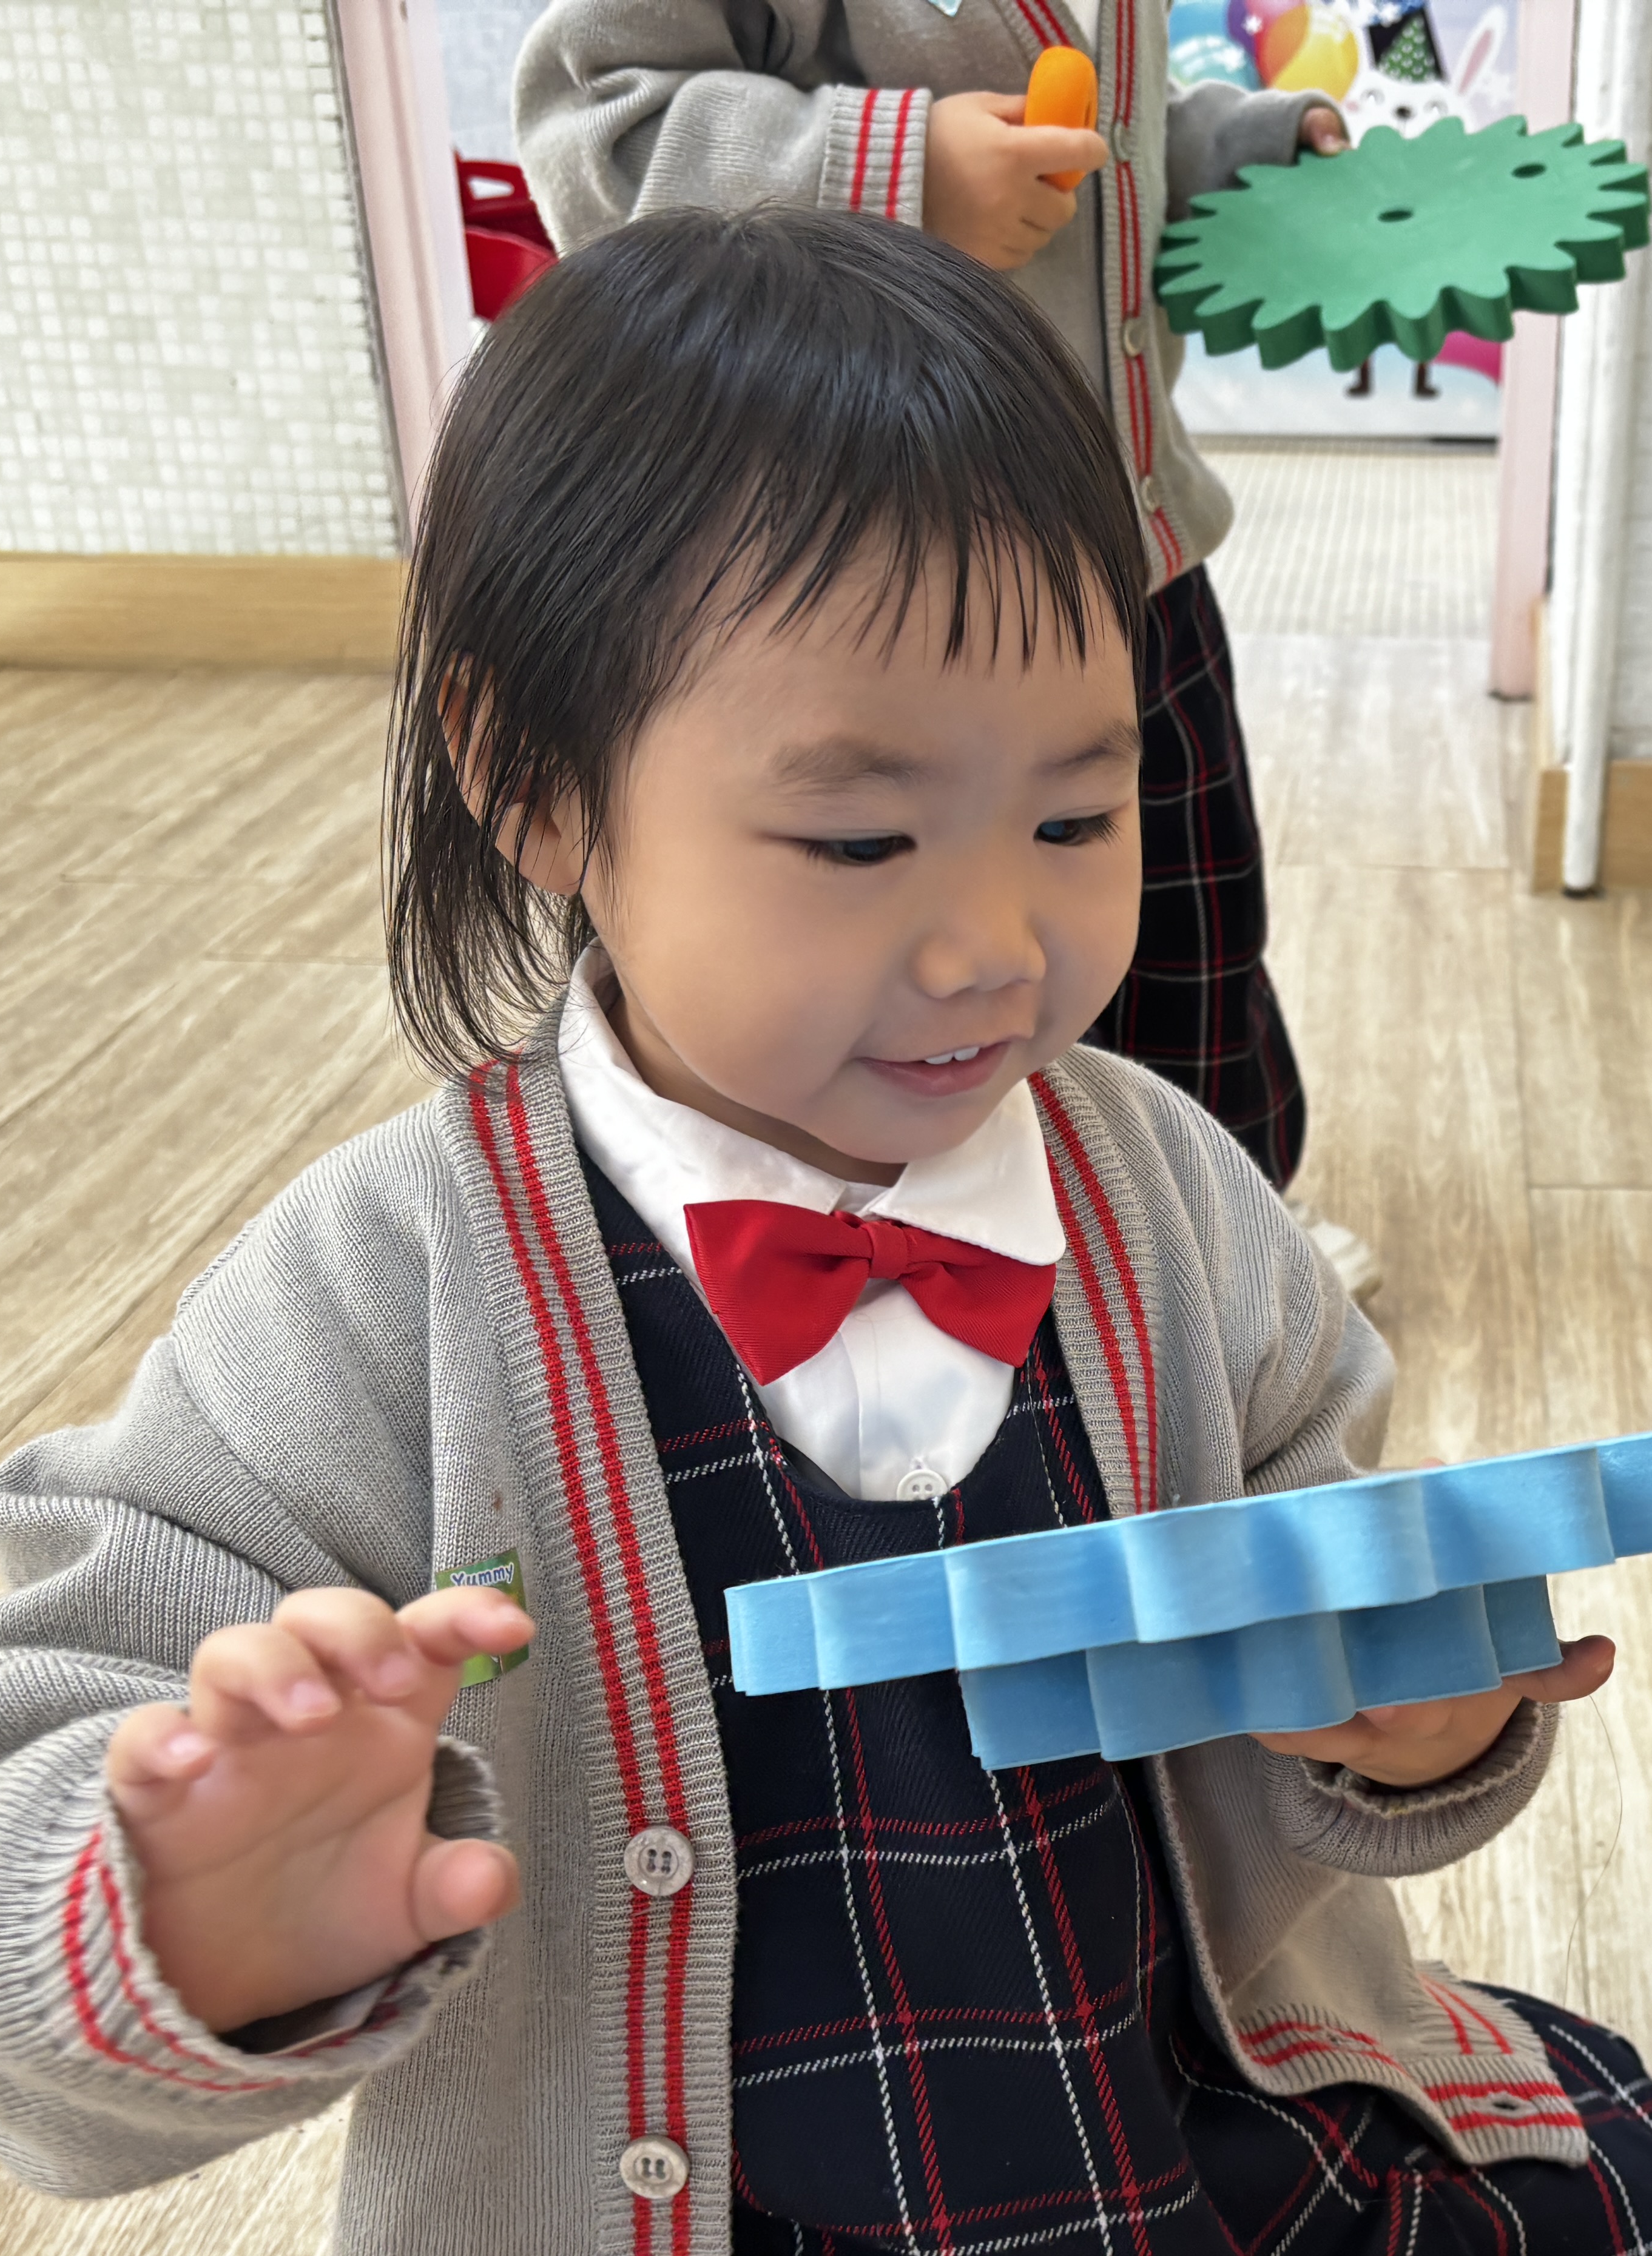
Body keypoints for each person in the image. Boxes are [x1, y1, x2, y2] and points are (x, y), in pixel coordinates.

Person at [0, 210, 1652, 2256]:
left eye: (1076, 814)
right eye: (857, 838)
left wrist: (1398, 1719)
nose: (994, 941)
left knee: (1597, 2253)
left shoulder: (1159, 1186)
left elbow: (1319, 1542)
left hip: (1181, 2143)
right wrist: (180, 1906)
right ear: (536, 783)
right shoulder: (375, 1293)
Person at [516, 0, 1386, 1301]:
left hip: (1130, 564)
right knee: (889, 972)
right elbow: (597, 128)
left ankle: (1216, 1241)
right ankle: (888, 1246)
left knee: (1193, 933)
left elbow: (1105, 129)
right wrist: (899, 173)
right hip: (855, 602)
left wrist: (1233, 148)